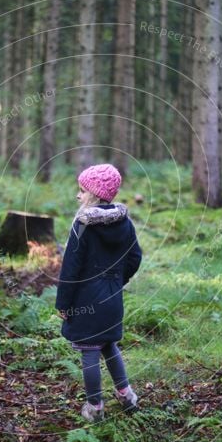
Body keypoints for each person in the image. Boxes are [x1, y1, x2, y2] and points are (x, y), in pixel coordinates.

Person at [55, 164, 143, 422]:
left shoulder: (82, 225)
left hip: (85, 299)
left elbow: (70, 268)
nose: (78, 195)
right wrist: (117, 280)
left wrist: (64, 303)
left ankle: (95, 406)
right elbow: (135, 257)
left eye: (81, 190)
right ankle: (127, 395)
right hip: (112, 298)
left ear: (94, 194)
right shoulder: (125, 223)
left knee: (90, 350)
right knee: (109, 344)